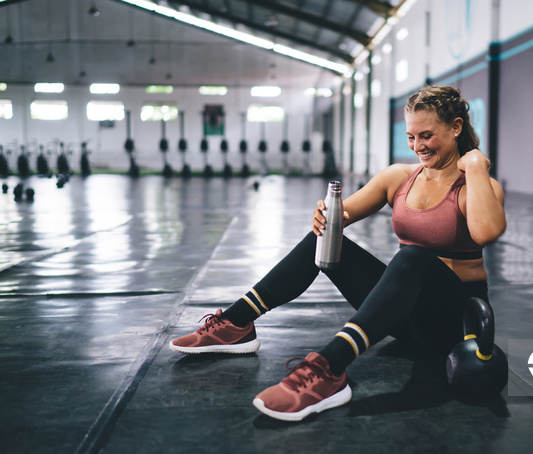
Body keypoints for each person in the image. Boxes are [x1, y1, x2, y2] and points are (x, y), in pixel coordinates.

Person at [169, 85, 507, 421]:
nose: (417, 146)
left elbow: (487, 232)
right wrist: (326, 218)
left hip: (457, 322)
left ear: (457, 127)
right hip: (409, 321)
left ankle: (329, 368)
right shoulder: (399, 177)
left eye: (427, 136)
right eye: (410, 137)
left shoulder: (477, 185)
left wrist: (475, 166)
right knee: (327, 238)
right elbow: (340, 215)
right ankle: (238, 321)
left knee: (413, 258)